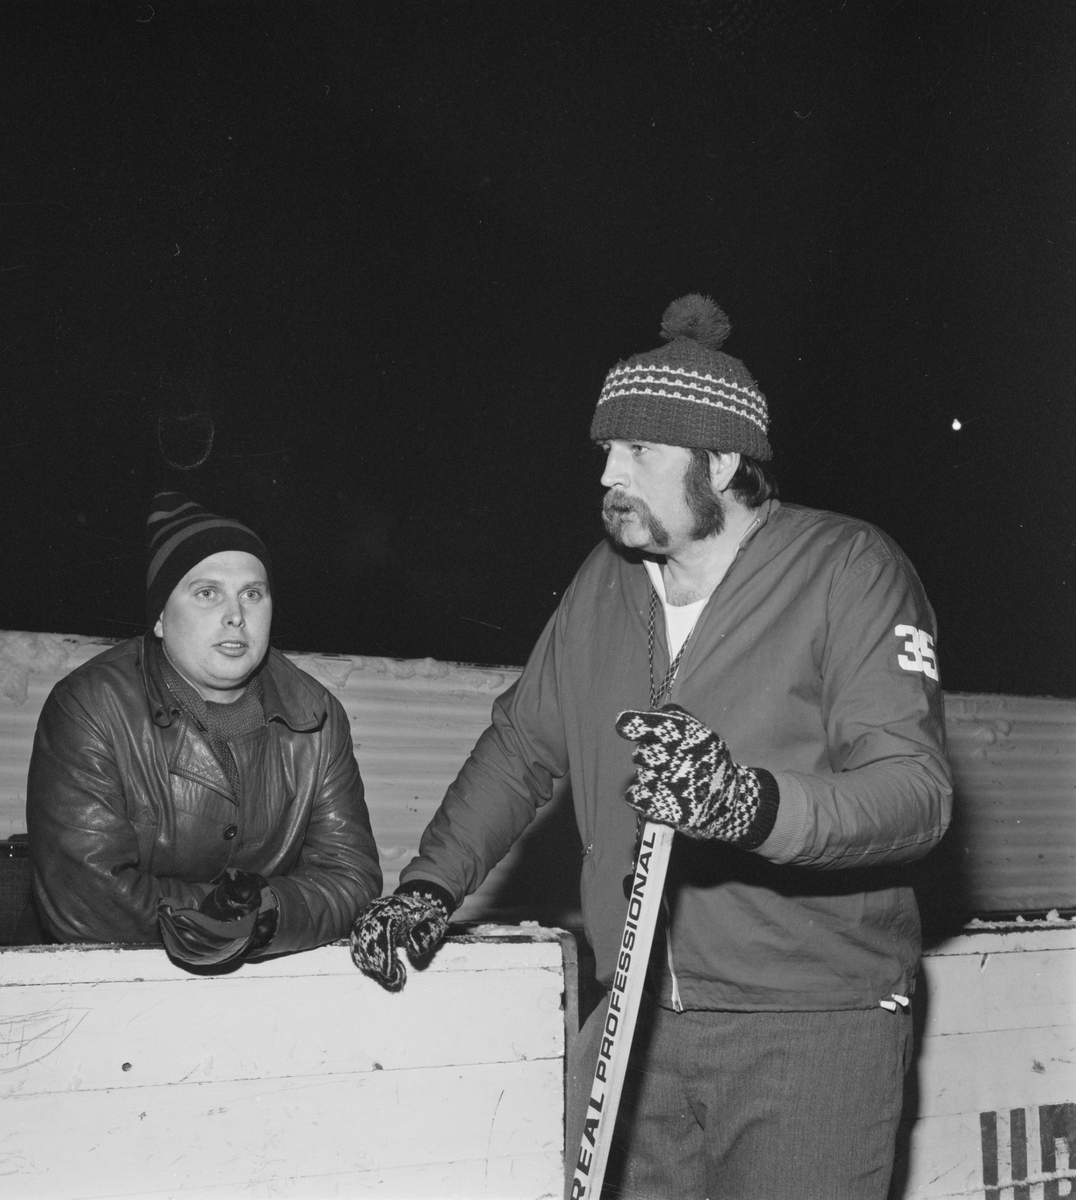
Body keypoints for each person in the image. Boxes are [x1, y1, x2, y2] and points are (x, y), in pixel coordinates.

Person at [349, 295, 952, 1199]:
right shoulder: (607, 583)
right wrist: (434, 882)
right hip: (635, 1018)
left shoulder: (849, 570)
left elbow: (915, 792)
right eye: (605, 454)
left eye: (638, 452)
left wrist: (753, 804)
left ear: (721, 461)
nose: (608, 478)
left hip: (810, 1022)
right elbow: (523, 745)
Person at [27, 492, 382, 969]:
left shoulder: (316, 718)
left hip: (261, 983)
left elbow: (351, 877)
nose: (236, 614)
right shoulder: (90, 707)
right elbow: (87, 898)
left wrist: (264, 917)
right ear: (158, 617)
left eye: (252, 594)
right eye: (206, 592)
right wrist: (215, 914)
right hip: (102, 980)